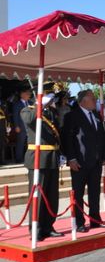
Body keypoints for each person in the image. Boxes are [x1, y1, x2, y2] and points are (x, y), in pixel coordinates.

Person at [62, 90, 105, 232]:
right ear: (83, 101)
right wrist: (71, 158)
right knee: (78, 194)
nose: (95, 101)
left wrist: (104, 155)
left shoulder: (96, 115)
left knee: (94, 192)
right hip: (79, 162)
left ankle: (95, 219)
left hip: (95, 161)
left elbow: (102, 135)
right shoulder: (72, 116)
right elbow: (67, 139)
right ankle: (79, 222)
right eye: (92, 98)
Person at [22, 89, 64, 241]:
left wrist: (62, 153)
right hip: (38, 159)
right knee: (38, 196)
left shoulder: (51, 112)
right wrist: (39, 104)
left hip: (52, 158)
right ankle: (36, 228)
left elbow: (57, 133)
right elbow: (30, 121)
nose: (50, 98)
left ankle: (48, 226)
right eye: (47, 95)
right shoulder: (27, 110)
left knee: (52, 196)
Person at [12, 87, 31, 163]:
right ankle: (18, 158)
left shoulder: (30, 103)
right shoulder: (17, 104)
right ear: (22, 95)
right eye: (27, 94)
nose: (29, 95)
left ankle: (28, 158)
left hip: (30, 128)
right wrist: (16, 126)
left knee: (29, 144)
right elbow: (15, 116)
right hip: (21, 127)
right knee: (20, 143)